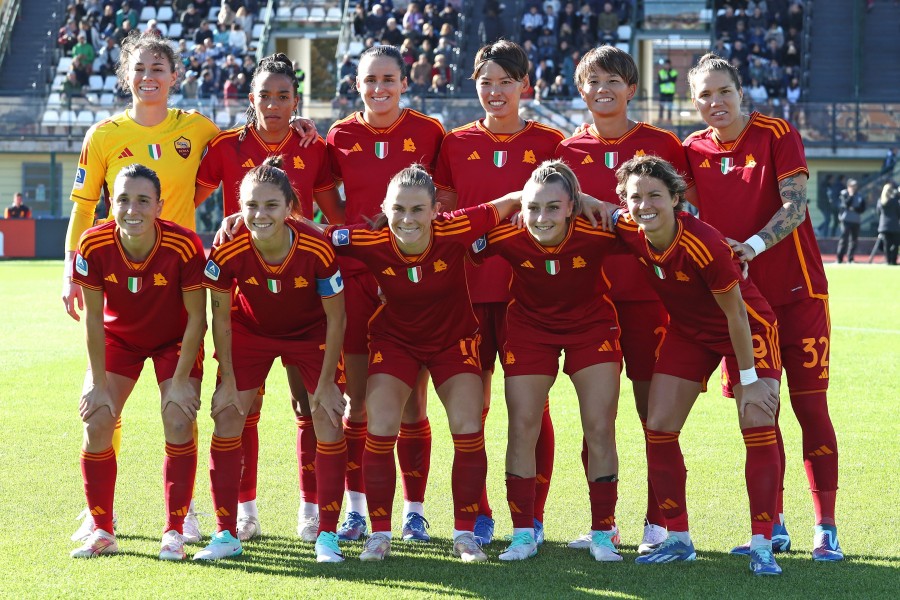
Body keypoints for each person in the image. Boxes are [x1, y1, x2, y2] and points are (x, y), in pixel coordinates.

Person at [61, 30, 317, 543]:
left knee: (181, 403)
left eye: (159, 68)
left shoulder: (198, 129)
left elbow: (251, 136)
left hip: (181, 278)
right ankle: (98, 512)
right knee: (101, 404)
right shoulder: (104, 135)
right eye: (140, 69)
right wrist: (70, 269)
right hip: (120, 276)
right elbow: (85, 208)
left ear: (175, 77)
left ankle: (188, 510)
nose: (149, 77)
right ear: (126, 77)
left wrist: (296, 126)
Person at [683, 53, 842, 561]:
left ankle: (827, 528)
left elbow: (795, 206)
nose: (715, 102)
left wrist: (749, 246)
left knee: (810, 407)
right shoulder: (691, 150)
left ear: (740, 90)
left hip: (797, 295)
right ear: (693, 101)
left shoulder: (776, 132)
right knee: (759, 415)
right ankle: (771, 526)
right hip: (742, 306)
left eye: (722, 91)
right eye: (704, 95)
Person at [323, 165, 524, 562]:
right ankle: (379, 535)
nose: (407, 219)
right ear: (385, 207)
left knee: (468, 427)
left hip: (453, 342)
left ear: (436, 210)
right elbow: (312, 234)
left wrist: (583, 199)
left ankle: (464, 535)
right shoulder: (370, 239)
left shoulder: (456, 227)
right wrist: (242, 218)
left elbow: (515, 199)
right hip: (395, 342)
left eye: (418, 210)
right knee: (380, 426)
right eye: (399, 209)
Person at [195, 53, 343, 543]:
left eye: (284, 96)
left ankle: (310, 509)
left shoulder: (314, 146)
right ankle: (244, 511)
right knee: (242, 409)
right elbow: (181, 199)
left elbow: (333, 215)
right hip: (248, 305)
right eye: (265, 95)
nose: (274, 105)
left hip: (305, 303)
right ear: (249, 98)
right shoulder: (223, 147)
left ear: (296, 100)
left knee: (311, 407)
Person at [613, 156, 784, 576]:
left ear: (676, 198)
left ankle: (764, 541)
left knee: (757, 424)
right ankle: (678, 538)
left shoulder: (703, 242)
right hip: (689, 332)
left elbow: (737, 316)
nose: (644, 204)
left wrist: (750, 380)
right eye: (635, 196)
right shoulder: (630, 228)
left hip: (746, 328)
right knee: (659, 428)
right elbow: (589, 205)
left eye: (655, 195)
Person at [555, 45, 690, 554]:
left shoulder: (660, 144)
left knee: (653, 415)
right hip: (590, 302)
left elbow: (685, 213)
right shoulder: (566, 153)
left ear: (631, 88)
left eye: (613, 80)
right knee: (597, 418)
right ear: (580, 88)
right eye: (592, 81)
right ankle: (603, 524)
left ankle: (660, 523)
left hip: (651, 299)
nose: (602, 89)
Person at [433, 39, 564, 547]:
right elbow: (443, 213)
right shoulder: (454, 142)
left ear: (524, 86)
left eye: (506, 81)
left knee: (531, 409)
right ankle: (481, 512)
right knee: (473, 407)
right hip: (465, 294)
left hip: (527, 297)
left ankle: (532, 515)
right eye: (485, 81)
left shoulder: (552, 142)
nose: (495, 91)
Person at [473, 162, 623, 562]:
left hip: (591, 326)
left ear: (572, 206)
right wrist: (506, 202)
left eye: (553, 207)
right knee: (522, 425)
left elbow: (648, 224)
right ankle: (523, 533)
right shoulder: (510, 232)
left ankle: (604, 532)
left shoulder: (597, 229)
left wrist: (598, 202)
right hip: (529, 327)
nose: (542, 217)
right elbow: (460, 233)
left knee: (598, 426)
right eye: (534, 207)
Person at [325, 45, 445, 543]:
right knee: (358, 402)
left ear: (404, 82)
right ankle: (356, 509)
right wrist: (354, 231)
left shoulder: (429, 132)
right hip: (356, 279)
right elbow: (327, 199)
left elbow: (445, 198)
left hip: (408, 282)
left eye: (388, 79)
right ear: (357, 84)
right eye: (370, 80)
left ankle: (413, 510)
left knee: (413, 402)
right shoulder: (340, 134)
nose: (379, 88)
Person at [69, 164, 206, 561]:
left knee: (179, 416)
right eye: (123, 199)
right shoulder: (93, 244)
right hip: (119, 340)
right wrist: (96, 381)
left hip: (174, 341)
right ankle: (102, 529)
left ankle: (175, 531)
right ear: (112, 202)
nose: (132, 209)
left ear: (159, 206)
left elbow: (198, 317)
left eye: (143, 200)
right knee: (96, 418)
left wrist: (181, 381)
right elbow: (94, 319)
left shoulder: (184, 244)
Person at [836, 178, 865, 264]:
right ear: (848, 186)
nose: (854, 187)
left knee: (854, 240)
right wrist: (851, 195)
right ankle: (839, 259)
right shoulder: (844, 194)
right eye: (852, 186)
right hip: (846, 220)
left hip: (856, 221)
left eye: (855, 186)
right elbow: (846, 204)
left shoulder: (860, 195)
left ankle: (850, 258)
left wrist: (854, 209)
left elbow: (862, 208)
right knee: (843, 239)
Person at [876, 182, 900, 265]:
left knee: (886, 245)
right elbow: (898, 212)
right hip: (894, 226)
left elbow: (878, 212)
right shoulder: (895, 201)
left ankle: (888, 260)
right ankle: (893, 260)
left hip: (884, 226)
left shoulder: (880, 201)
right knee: (895, 244)